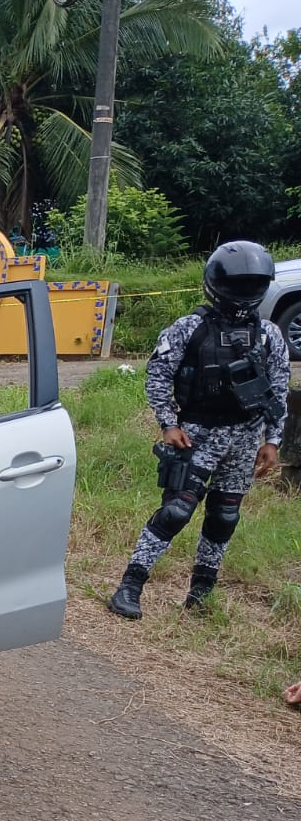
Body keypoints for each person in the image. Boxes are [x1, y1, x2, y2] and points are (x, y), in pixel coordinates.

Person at [106, 240, 291, 619]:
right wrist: (168, 423)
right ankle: (129, 586)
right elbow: (158, 375)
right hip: (196, 435)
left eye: (251, 283)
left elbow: (278, 388)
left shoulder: (269, 335)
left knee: (224, 517)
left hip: (245, 439)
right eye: (237, 284)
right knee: (175, 511)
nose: (243, 292)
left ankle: (201, 595)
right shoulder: (189, 328)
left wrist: (273, 440)